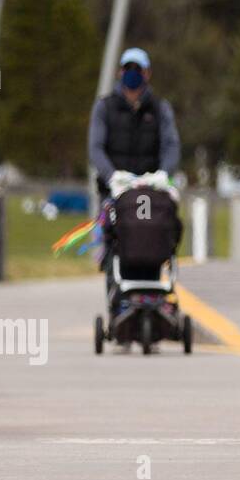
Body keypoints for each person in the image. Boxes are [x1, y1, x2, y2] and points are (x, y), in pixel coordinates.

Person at [87, 47, 181, 311]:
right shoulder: (105, 107)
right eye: (127, 69)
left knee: (152, 238)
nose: (132, 75)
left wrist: (164, 174)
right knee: (115, 243)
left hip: (150, 190)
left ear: (147, 73)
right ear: (120, 72)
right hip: (116, 192)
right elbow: (95, 148)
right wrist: (112, 176)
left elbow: (171, 146)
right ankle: (118, 303)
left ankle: (153, 298)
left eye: (137, 70)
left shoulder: (160, 109)